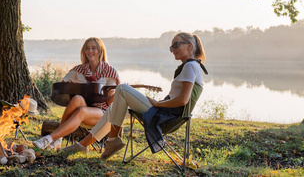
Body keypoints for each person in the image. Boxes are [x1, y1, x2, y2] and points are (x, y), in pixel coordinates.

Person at [62, 32, 207, 160]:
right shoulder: (192, 66)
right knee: (114, 108)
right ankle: (83, 145)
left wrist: (157, 104)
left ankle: (112, 140)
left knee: (122, 89)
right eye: (171, 47)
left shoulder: (190, 66)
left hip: (165, 115)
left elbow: (183, 100)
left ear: (189, 46)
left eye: (176, 45)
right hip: (167, 113)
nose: (173, 50)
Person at [32, 37, 120, 150]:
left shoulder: (110, 71)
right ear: (84, 51)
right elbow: (62, 84)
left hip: (101, 112)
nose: (90, 51)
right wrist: (72, 86)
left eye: (94, 48)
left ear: (100, 51)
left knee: (81, 111)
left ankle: (49, 139)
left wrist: (120, 93)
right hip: (83, 105)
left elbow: (109, 101)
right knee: (77, 98)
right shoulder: (79, 70)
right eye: (87, 48)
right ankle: (58, 139)